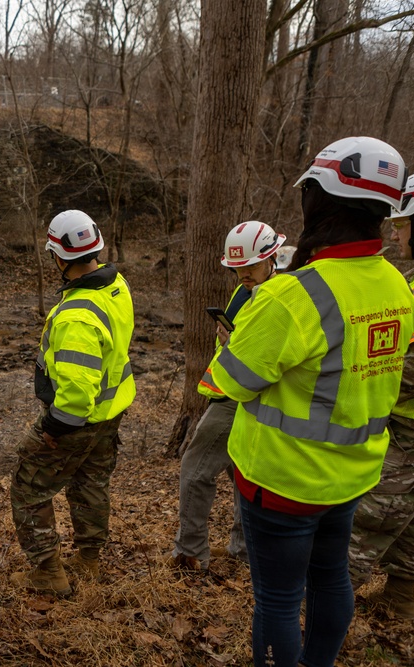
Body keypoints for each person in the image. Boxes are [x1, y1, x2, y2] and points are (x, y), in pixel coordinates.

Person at [201, 136, 414, 667]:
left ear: (317, 201)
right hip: (351, 476)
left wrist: (243, 334)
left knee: (278, 598)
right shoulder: (397, 284)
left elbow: (225, 381)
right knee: (330, 579)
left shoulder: (293, 295)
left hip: (282, 480)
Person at [9, 210, 136, 597]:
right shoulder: (117, 285)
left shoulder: (76, 316)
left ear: (59, 258)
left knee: (28, 485)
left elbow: (78, 391)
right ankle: (89, 560)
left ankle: (48, 571)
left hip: (76, 419)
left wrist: (52, 429)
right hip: (109, 415)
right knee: (90, 483)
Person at [349, 169, 414, 620]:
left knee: (366, 519)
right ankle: (402, 598)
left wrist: (357, 379)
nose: (395, 232)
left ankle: (322, 610)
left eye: (402, 223)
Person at [171, 221, 285, 571]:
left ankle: (190, 553)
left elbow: (268, 354)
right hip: (233, 392)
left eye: (250, 267)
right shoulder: (244, 292)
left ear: (272, 258)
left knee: (195, 467)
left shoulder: (281, 296)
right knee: (242, 473)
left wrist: (231, 343)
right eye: (237, 269)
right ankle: (242, 548)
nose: (243, 275)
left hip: (242, 397)